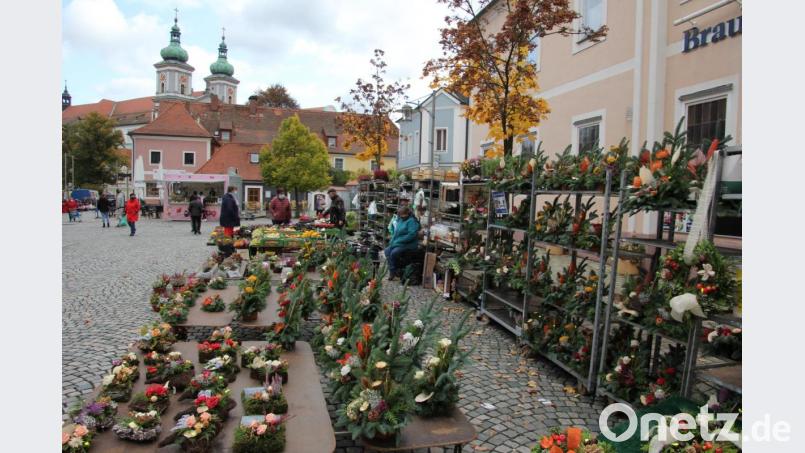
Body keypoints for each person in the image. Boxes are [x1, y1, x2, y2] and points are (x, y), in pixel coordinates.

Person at [384, 206, 420, 280]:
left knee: (394, 253)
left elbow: (411, 235)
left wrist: (398, 241)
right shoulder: (400, 220)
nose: (401, 217)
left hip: (409, 244)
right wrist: (392, 240)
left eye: (402, 215)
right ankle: (393, 270)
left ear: (407, 214)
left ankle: (394, 271)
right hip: (399, 243)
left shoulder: (411, 221)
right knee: (387, 251)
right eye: (400, 215)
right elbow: (396, 232)